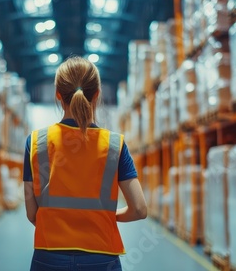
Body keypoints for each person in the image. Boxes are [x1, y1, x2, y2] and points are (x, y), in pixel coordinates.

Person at [23, 56, 147, 271]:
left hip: (49, 257)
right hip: (101, 258)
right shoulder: (114, 145)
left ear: (58, 95)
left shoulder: (36, 143)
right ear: (97, 94)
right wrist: (105, 216)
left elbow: (32, 214)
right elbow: (139, 209)